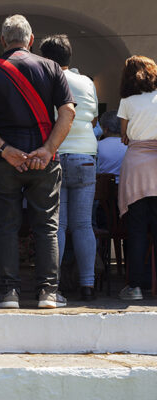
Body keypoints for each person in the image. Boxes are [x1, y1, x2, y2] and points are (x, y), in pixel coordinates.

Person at [0, 15, 75, 308]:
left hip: (6, 162)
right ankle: (48, 293)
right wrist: (47, 149)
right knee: (47, 227)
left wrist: (4, 149)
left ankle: (9, 293)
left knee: (5, 226)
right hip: (44, 160)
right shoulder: (52, 67)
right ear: (31, 40)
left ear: (3, 41)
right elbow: (67, 112)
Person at [39, 34, 99, 301]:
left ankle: (56, 286)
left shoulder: (47, 80)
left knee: (59, 226)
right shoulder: (87, 81)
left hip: (58, 155)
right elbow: (94, 116)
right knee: (84, 225)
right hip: (87, 154)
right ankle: (88, 285)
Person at [117, 55, 157, 300]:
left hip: (136, 166)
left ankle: (135, 287)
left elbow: (124, 136)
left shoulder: (127, 102)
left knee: (137, 229)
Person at [97, 111, 127, 180]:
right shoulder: (130, 146)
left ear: (105, 129)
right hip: (124, 185)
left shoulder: (97, 145)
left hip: (103, 186)